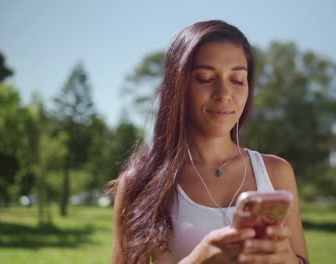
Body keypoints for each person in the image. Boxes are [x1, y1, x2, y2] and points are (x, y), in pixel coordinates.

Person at [111, 20, 308, 263]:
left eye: (237, 80)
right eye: (204, 78)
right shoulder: (141, 182)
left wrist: (289, 260)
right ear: (178, 86)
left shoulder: (277, 172)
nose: (223, 94)